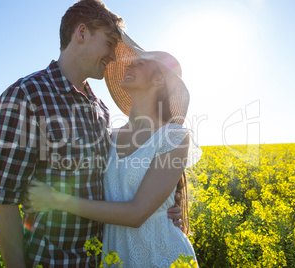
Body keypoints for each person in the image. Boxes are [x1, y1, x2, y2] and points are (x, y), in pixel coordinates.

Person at [0, 1, 183, 267]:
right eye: (110, 42)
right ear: (82, 33)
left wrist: (162, 211)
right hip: (52, 261)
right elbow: (3, 200)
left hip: (105, 258)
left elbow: (121, 189)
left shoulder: (100, 109)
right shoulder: (26, 96)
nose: (114, 57)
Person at [24, 27, 202, 267]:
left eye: (139, 64)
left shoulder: (174, 137)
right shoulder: (108, 135)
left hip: (162, 256)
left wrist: (56, 200)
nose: (128, 65)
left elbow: (137, 213)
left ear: (159, 79)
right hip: (115, 256)